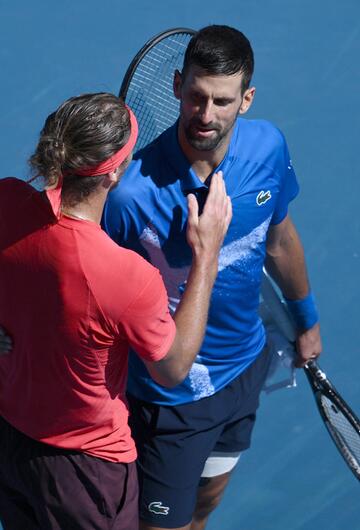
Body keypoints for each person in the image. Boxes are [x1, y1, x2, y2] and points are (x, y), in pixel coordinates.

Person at [102, 26, 322, 530]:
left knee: (205, 505)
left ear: (246, 99)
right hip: (169, 399)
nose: (205, 115)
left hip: (246, 368)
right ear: (177, 85)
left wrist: (306, 319)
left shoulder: (268, 148)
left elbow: (280, 239)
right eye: (196, 96)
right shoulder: (129, 196)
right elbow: (86, 284)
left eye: (222, 101)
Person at [0, 92, 232, 530]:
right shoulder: (126, 275)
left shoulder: (6, 201)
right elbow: (173, 367)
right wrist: (207, 256)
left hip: (11, 442)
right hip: (86, 474)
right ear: (114, 172)